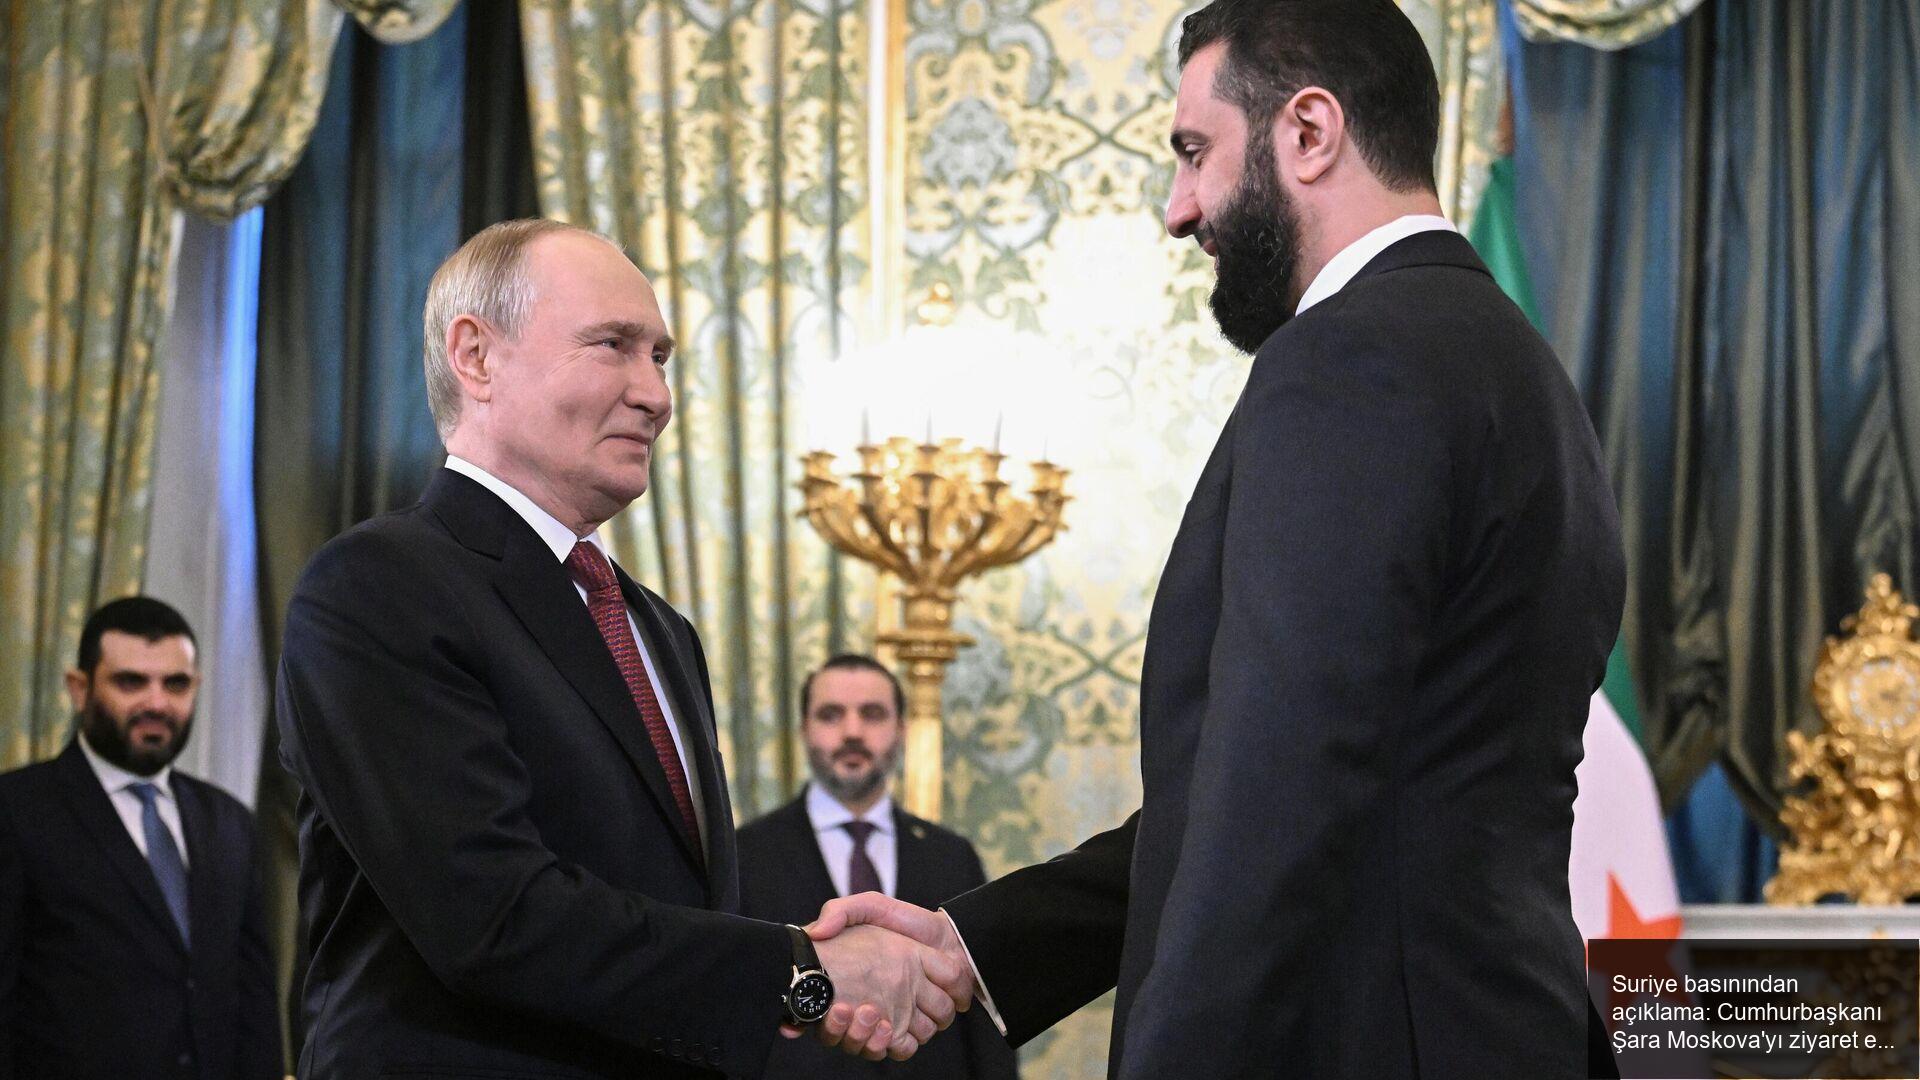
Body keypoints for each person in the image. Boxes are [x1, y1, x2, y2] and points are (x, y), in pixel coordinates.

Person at [806, 1, 1627, 1076]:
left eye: (1196, 152)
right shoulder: (1520, 365)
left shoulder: (1350, 358)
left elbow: (1277, 803)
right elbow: (1319, 782)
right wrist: (980, 945)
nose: (1178, 207)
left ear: (1309, 131)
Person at [274, 219, 965, 1080]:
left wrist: (811, 980)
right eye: (613, 346)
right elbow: (493, 918)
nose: (656, 395)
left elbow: (679, 916)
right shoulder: (379, 585)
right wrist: (803, 969)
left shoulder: (658, 629)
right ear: (476, 357)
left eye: (661, 357)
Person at [0, 597, 281, 1080]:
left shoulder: (228, 822)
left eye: (175, 684)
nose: (156, 703)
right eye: (131, 682)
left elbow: (253, 998)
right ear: (80, 689)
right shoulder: (17, 810)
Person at [739, 655, 1020, 1080]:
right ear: (804, 730)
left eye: (872, 714)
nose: (852, 732)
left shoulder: (951, 855)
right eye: (831, 715)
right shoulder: (745, 853)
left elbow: (983, 1014)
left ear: (901, 730)